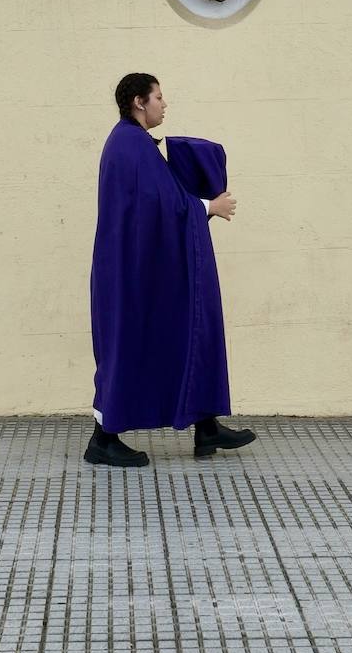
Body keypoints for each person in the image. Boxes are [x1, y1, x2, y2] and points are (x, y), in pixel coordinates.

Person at [85, 73, 257, 468]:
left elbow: (158, 197)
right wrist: (206, 207)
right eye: (159, 97)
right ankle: (102, 439)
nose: (165, 104)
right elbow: (155, 204)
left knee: (185, 332)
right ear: (138, 102)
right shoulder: (129, 145)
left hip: (134, 268)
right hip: (130, 275)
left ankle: (207, 426)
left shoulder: (132, 143)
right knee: (128, 346)